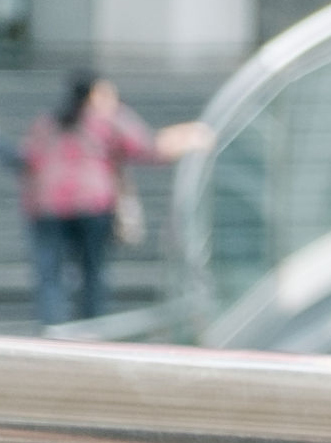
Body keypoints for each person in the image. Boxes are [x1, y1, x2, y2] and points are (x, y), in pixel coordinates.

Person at [19, 74, 203, 326]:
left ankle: (53, 328)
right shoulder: (108, 121)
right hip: (92, 204)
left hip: (48, 205)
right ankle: (91, 328)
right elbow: (147, 147)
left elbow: (29, 160)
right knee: (92, 271)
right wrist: (189, 138)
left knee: (51, 274)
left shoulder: (47, 123)